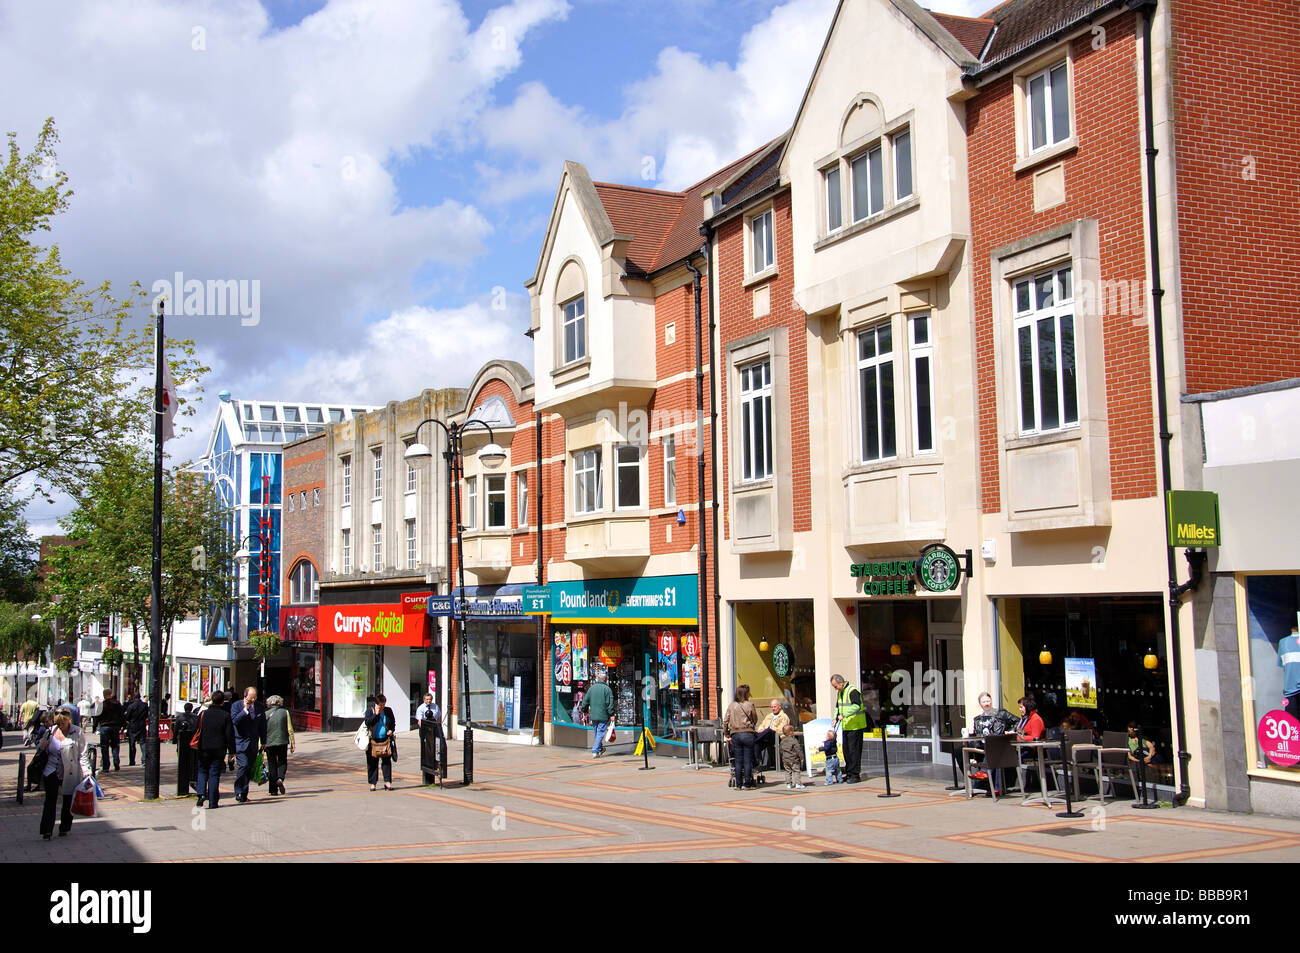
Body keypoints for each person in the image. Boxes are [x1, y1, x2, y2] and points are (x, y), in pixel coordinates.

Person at [37, 711, 94, 840]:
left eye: (63, 723)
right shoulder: (51, 731)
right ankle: (47, 831)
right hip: (51, 769)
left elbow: (83, 753)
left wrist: (86, 770)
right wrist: (42, 746)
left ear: (69, 720)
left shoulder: (77, 732)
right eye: (58, 723)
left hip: (70, 770)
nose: (60, 726)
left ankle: (64, 827)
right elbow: (40, 749)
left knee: (68, 800)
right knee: (50, 800)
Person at [195, 690, 236, 809]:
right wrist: (232, 751)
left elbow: (196, 730)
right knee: (214, 774)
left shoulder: (204, 714)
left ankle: (201, 794)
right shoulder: (225, 716)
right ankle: (213, 801)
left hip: (204, 747)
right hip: (219, 748)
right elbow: (229, 735)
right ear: (223, 702)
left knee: (202, 770)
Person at [230, 687, 267, 803]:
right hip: (240, 742)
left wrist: (264, 741)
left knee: (249, 768)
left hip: (253, 743)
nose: (253, 700)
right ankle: (238, 791)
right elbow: (235, 721)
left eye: (255, 698)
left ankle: (244, 793)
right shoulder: (236, 706)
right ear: (245, 696)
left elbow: (262, 725)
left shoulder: (259, 707)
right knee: (243, 766)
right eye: (251, 698)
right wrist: (245, 710)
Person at [830, 673, 866, 784]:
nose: (835, 689)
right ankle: (849, 773)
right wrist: (835, 718)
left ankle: (855, 775)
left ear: (841, 683)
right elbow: (838, 707)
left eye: (835, 686)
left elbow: (856, 705)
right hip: (846, 726)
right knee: (847, 751)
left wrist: (844, 714)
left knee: (854, 751)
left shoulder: (852, 690)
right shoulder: (841, 692)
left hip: (856, 726)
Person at [723, 684, 759, 790]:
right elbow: (755, 718)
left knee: (738, 760)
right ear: (745, 693)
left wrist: (727, 734)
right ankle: (747, 783)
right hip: (748, 733)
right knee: (747, 760)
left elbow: (725, 721)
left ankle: (738, 784)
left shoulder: (732, 705)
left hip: (735, 734)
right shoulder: (750, 704)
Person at [364, 693, 397, 791]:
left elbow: (393, 723)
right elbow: (367, 722)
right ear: (376, 704)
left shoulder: (388, 711)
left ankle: (387, 782)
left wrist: (391, 730)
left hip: (385, 740)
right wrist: (376, 714)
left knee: (386, 762)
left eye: (383, 704)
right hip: (373, 741)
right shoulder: (370, 711)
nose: (382, 707)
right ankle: (373, 783)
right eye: (380, 705)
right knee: (372, 763)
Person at [263, 695, 294, 796]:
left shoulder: (265, 714)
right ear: (279, 703)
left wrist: (261, 744)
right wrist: (293, 742)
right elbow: (289, 728)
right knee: (282, 761)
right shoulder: (285, 712)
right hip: (282, 741)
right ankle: (280, 778)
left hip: (269, 743)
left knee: (272, 764)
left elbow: (262, 730)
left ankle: (273, 790)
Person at [579, 672, 614, 759]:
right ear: (605, 679)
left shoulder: (591, 688)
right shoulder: (607, 689)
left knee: (597, 733)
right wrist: (611, 714)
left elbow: (585, 700)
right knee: (600, 733)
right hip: (603, 715)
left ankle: (600, 749)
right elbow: (610, 703)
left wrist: (585, 710)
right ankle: (595, 750)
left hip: (594, 715)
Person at [754, 698, 790, 771]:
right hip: (766, 736)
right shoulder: (769, 716)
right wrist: (760, 729)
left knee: (768, 731)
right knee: (756, 743)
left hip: (777, 736)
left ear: (779, 706)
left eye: (775, 706)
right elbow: (762, 724)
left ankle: (755, 738)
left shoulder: (784, 716)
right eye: (772, 707)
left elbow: (782, 729)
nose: (773, 708)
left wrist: (770, 729)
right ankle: (756, 762)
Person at [96, 689, 125, 772]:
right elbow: (121, 715)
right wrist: (123, 725)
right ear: (111, 694)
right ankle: (116, 761)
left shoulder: (102, 705)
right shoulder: (117, 704)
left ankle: (106, 766)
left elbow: (97, 716)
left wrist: (95, 726)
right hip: (115, 726)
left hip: (104, 726)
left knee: (104, 746)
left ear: (103, 695)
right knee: (115, 745)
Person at [124, 691, 149, 767]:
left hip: (133, 726)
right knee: (142, 743)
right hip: (141, 725)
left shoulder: (131, 706)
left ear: (134, 697)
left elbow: (127, 717)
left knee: (132, 744)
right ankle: (144, 759)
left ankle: (132, 760)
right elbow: (146, 715)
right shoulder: (145, 705)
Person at [779, 725, 805, 790]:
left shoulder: (782, 741)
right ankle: (798, 784)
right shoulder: (794, 740)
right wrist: (801, 757)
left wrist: (783, 756)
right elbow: (798, 749)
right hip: (794, 759)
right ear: (791, 732)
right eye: (793, 731)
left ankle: (788, 784)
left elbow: (780, 750)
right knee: (796, 771)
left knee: (787, 771)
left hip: (785, 759)